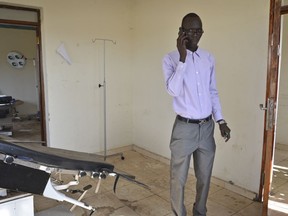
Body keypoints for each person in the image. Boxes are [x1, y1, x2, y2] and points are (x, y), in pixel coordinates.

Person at [162, 13, 231, 216]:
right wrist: (182, 58)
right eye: (191, 30)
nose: (196, 34)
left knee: (204, 177)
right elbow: (173, 90)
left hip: (207, 127)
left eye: (199, 30)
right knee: (178, 179)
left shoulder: (208, 58)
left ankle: (199, 212)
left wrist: (221, 120)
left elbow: (213, 92)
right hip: (184, 129)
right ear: (181, 32)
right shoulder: (170, 59)